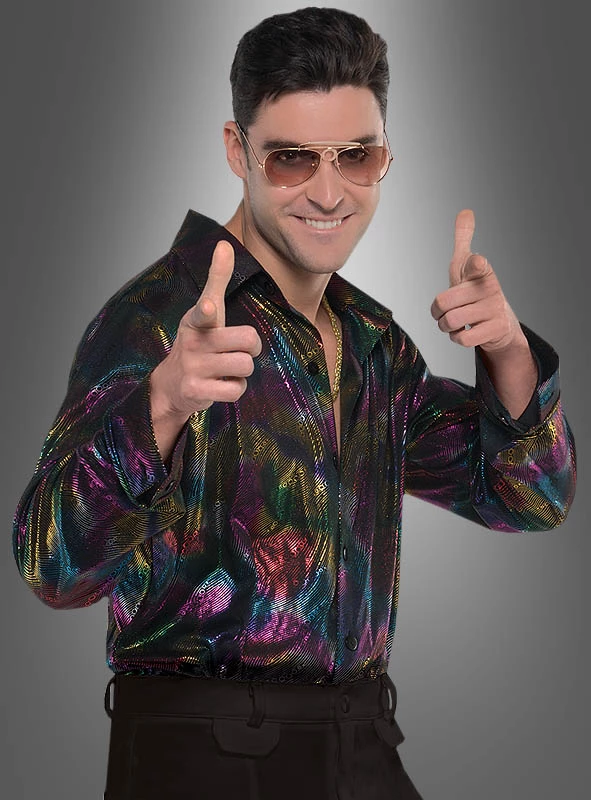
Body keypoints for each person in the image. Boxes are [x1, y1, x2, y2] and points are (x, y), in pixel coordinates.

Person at [12, 6, 576, 800]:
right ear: (236, 150)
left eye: (356, 156)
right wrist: (161, 406)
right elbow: (52, 568)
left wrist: (509, 353)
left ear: (384, 157)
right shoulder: (159, 318)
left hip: (360, 736)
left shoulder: (373, 343)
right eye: (291, 159)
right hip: (199, 755)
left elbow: (528, 500)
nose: (328, 191)